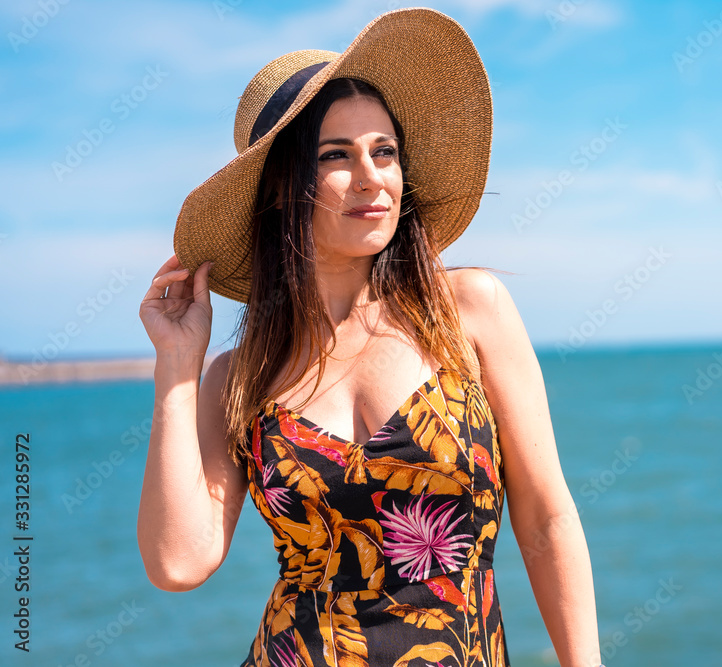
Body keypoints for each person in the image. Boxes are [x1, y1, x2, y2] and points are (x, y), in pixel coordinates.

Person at [137, 7, 602, 667]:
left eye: (384, 151)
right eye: (336, 156)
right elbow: (177, 561)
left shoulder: (468, 311)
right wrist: (177, 367)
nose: (371, 176)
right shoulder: (239, 375)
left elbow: (546, 516)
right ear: (281, 191)